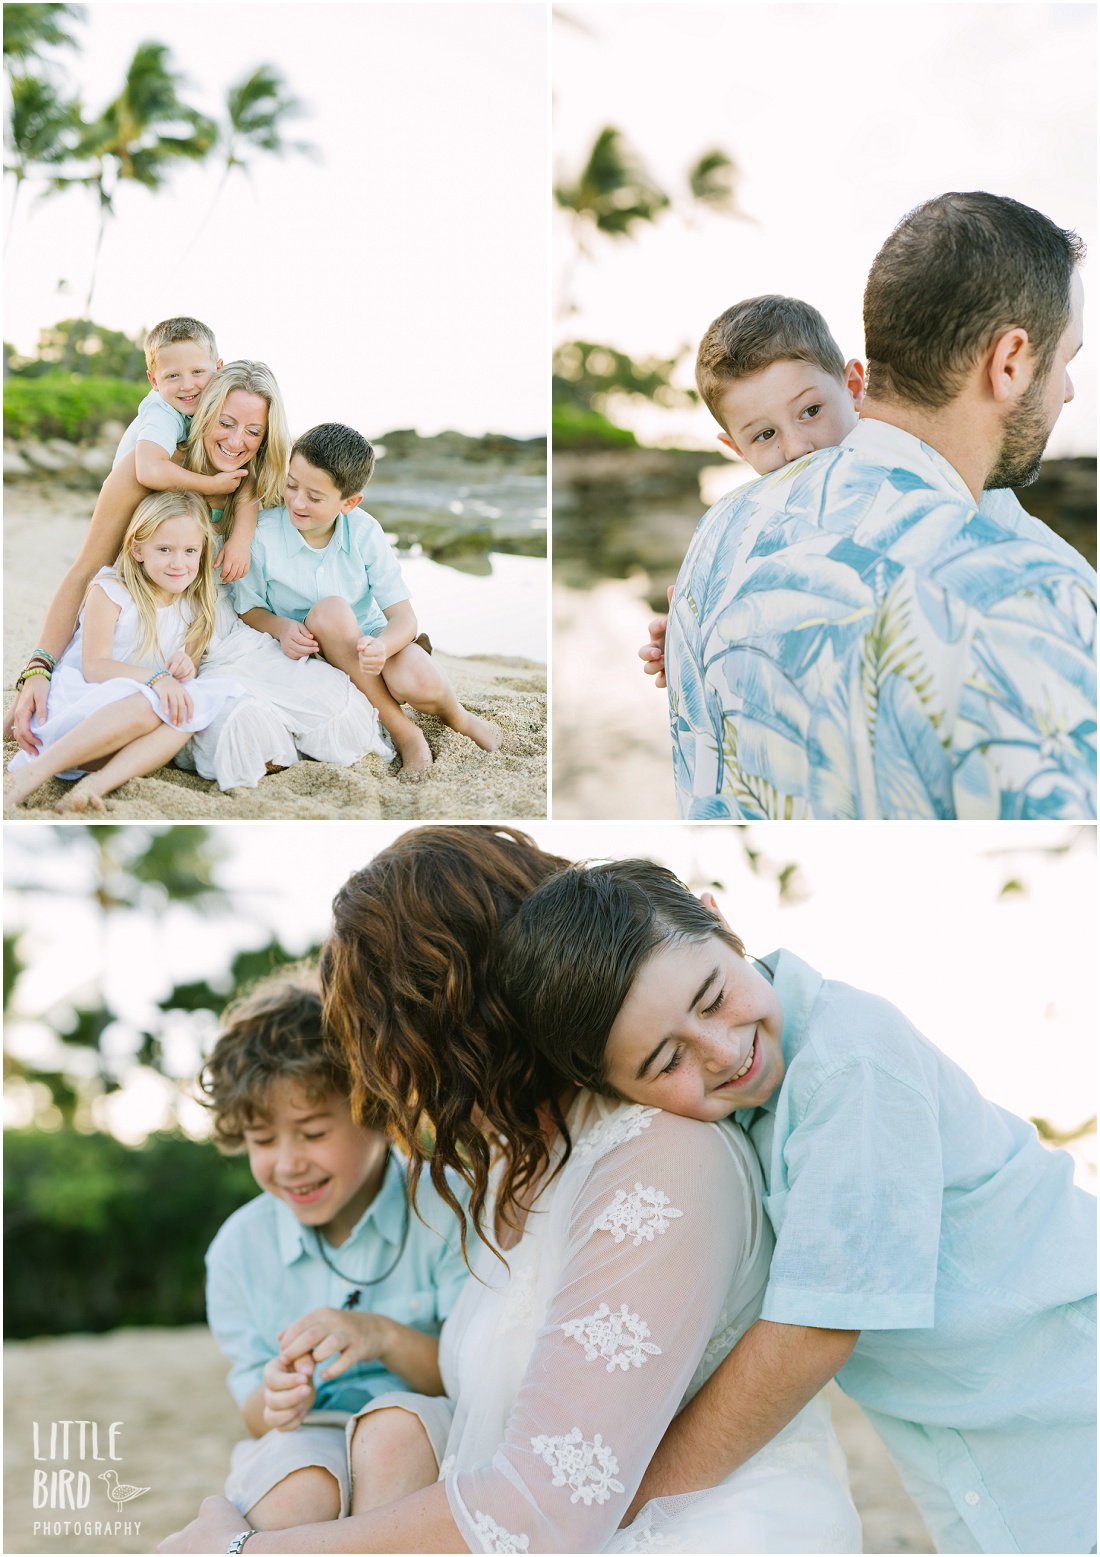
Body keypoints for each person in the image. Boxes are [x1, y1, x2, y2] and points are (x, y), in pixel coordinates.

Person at [159, 825, 861, 1555]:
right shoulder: (505, 1162)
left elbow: (541, 1510)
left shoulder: (662, 1153)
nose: (401, 1087)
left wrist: (243, 1553)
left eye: (405, 1054)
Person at [498, 856, 1098, 1555]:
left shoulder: (849, 1061)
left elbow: (814, 1331)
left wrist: (612, 1503)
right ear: (611, 1089)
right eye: (667, 1062)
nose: (722, 1052)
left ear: (720, 919)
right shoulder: (729, 1109)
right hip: (966, 1442)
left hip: (1068, 1392)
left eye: (712, 995)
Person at [663, 192, 1095, 820]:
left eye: (810, 410)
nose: (1070, 390)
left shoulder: (715, 536)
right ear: (1008, 363)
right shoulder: (1029, 593)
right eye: (1064, 360)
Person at [639, 293, 1095, 686]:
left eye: (811, 410)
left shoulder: (929, 476)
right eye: (764, 436)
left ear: (855, 386)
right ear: (735, 448)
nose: (797, 448)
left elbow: (1034, 558)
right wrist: (690, 635)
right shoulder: (756, 528)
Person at [8, 363, 394, 789]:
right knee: (233, 725)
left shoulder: (263, 483)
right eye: (225, 423)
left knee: (334, 709)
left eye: (253, 431)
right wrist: (38, 669)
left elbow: (305, 546)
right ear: (205, 413)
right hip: (153, 630)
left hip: (221, 626)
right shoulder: (145, 473)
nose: (235, 441)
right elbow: (85, 573)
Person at [201, 967, 469, 1533]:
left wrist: (381, 1336)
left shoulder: (446, 1207)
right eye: (263, 1140)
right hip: (308, 1433)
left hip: (426, 1423)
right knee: (298, 1490)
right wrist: (275, 1399)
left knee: (392, 1436)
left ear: (378, 1112)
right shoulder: (237, 1251)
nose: (288, 1162)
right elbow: (254, 1409)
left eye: (314, 1132)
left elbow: (470, 1372)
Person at [233, 423, 502, 779]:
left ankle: (458, 716)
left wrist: (382, 645)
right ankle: (406, 733)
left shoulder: (364, 531)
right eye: (291, 485)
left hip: (367, 639)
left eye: (314, 497)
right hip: (307, 649)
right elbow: (248, 607)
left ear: (349, 502)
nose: (297, 501)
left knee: (420, 681)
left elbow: (405, 618)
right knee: (330, 612)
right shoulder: (263, 534)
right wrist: (281, 627)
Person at [6, 492, 244, 812]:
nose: (178, 562)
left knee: (191, 704)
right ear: (137, 549)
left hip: (116, 741)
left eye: (190, 551)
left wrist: (184, 666)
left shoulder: (196, 607)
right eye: (164, 550)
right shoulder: (111, 591)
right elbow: (95, 666)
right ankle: (35, 772)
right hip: (77, 712)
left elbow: (187, 671)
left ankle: (96, 786)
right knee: (153, 702)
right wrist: (159, 678)